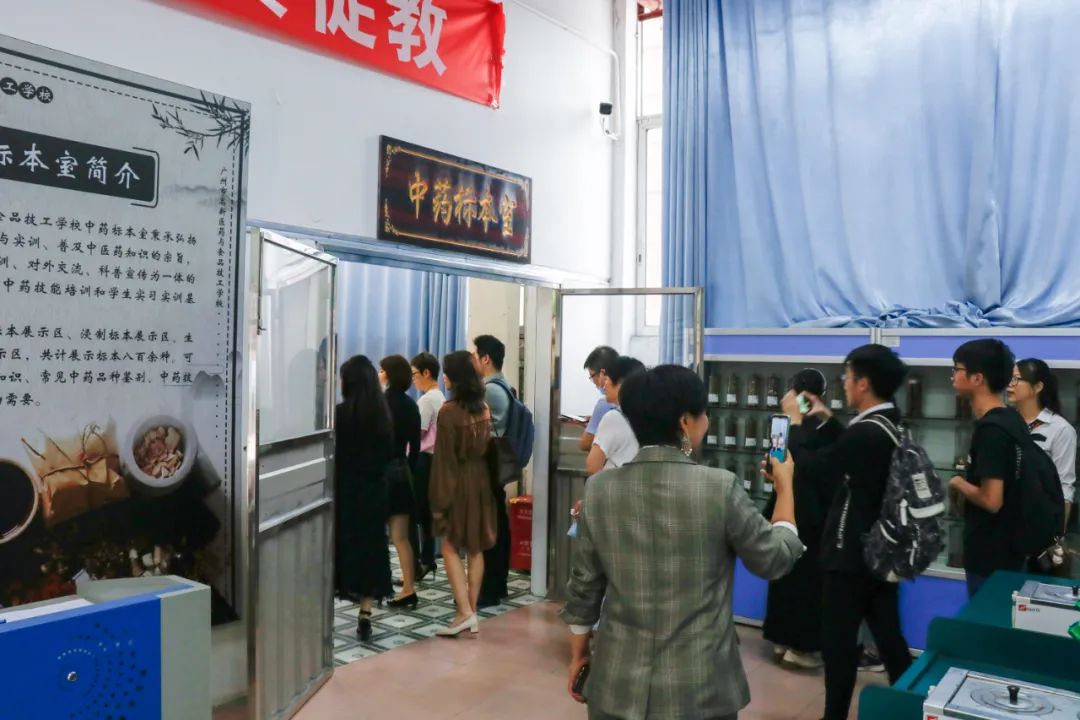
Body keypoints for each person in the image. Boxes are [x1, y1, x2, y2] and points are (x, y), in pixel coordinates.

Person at [561, 365, 804, 720]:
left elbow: (584, 586)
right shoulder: (719, 487)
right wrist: (785, 488)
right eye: (704, 413)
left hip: (616, 684)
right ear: (686, 422)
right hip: (700, 689)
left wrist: (579, 654)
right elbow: (775, 559)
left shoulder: (599, 490)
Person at [781, 344, 913, 720]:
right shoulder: (890, 421)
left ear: (863, 383)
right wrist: (828, 418)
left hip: (850, 556)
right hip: (880, 550)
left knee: (838, 646)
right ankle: (913, 706)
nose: (844, 382)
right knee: (890, 639)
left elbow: (811, 468)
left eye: (848, 376)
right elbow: (854, 450)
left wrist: (794, 422)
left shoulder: (866, 433)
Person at [762, 368, 835, 671]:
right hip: (812, 516)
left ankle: (782, 640)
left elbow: (777, 464)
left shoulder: (787, 424)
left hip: (786, 511)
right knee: (804, 583)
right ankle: (799, 647)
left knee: (786, 576)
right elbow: (807, 469)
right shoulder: (818, 428)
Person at [950, 339, 1028, 597]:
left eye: (957, 369)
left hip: (990, 557)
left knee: (987, 618)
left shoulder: (991, 430)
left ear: (977, 378)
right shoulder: (1012, 419)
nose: (953, 375)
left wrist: (958, 483)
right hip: (1011, 550)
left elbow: (992, 500)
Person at [430, 351, 498, 636]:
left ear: (456, 378)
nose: (443, 377)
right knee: (475, 547)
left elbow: (444, 461)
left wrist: (438, 502)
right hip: (480, 480)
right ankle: (471, 612)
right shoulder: (483, 408)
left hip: (458, 482)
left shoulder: (448, 412)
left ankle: (464, 612)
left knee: (449, 546)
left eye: (446, 372)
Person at [334, 355, 394, 641]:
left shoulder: (339, 414)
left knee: (345, 546)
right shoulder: (382, 414)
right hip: (375, 491)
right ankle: (366, 611)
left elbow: (335, 456)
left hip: (346, 490)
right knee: (373, 547)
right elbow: (388, 455)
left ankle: (337, 595)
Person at [1009, 358, 1076, 530]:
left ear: (1038, 387)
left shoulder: (1060, 429)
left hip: (1039, 520)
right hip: (1003, 517)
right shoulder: (1005, 422)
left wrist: (1058, 534)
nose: (1010, 385)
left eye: (1016, 379)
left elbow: (1064, 485)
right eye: (1009, 379)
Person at [473, 334, 514, 608]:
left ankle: (489, 588)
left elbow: (479, 431)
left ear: (485, 358)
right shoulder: (504, 385)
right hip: (496, 466)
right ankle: (498, 584)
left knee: (489, 529)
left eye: (476, 356)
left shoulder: (489, 390)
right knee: (497, 524)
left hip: (488, 466)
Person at [379, 355, 422, 608]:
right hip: (402, 473)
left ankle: (377, 586)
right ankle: (408, 588)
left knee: (376, 536)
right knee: (401, 537)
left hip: (381, 474)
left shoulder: (380, 403)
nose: (379, 373)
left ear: (388, 375)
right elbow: (415, 447)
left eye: (381, 370)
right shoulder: (411, 405)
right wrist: (408, 469)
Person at [411, 352, 446, 581]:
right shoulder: (440, 397)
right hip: (434, 459)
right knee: (426, 511)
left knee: (419, 511)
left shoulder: (426, 400)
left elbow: (419, 432)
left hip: (423, 459)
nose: (413, 379)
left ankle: (422, 561)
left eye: (415, 374)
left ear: (426, 373)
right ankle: (427, 558)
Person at [585, 355, 645, 476]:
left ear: (621, 384)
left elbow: (592, 467)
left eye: (608, 379)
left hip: (615, 485)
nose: (604, 385)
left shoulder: (613, 418)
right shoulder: (646, 414)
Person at [579, 346, 620, 452]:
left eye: (592, 376)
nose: (593, 382)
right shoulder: (634, 396)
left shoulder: (605, 403)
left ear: (602, 373)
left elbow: (585, 444)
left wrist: (594, 422)